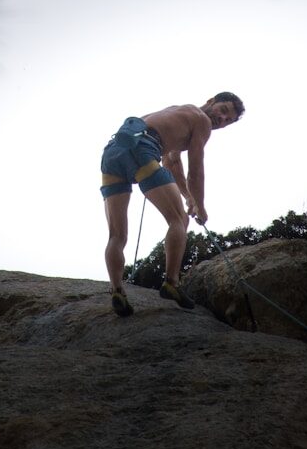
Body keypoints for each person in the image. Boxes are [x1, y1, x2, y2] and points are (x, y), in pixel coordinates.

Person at [100, 92, 244, 316]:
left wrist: (189, 198)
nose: (222, 120)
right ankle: (171, 282)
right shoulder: (202, 121)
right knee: (179, 220)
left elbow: (172, 163)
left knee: (117, 236)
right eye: (223, 111)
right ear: (210, 102)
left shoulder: (178, 113)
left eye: (228, 121)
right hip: (143, 150)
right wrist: (201, 206)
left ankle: (117, 291)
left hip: (113, 153)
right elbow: (196, 171)